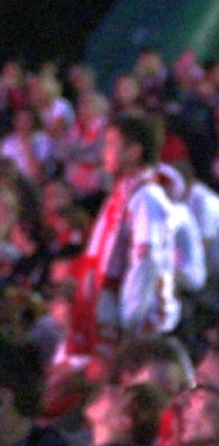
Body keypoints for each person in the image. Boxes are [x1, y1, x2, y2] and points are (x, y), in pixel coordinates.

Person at [67, 113, 181, 364]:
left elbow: (146, 262)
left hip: (137, 328)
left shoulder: (147, 197)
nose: (104, 152)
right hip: (112, 317)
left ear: (133, 151)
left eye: (111, 144)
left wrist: (129, 321)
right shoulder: (121, 193)